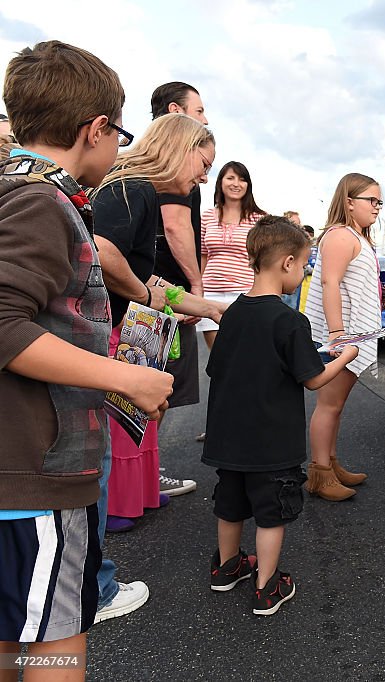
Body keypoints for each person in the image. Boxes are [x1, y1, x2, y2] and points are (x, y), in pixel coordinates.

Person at [0, 40, 173, 679]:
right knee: (53, 641)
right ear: (95, 129)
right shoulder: (41, 202)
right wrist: (125, 375)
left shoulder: (15, 190)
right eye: (117, 134)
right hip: (35, 475)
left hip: (14, 467)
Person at [203, 215, 358, 616]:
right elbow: (312, 378)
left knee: (230, 504)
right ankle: (267, 586)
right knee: (271, 513)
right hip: (270, 441)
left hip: (228, 436)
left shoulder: (232, 313)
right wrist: (345, 357)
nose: (305, 273)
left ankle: (227, 567)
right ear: (287, 262)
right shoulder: (290, 320)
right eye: (305, 264)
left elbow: (218, 368)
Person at [91, 114, 223, 542]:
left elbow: (145, 277)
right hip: (109, 327)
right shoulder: (131, 188)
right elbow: (106, 254)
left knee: (140, 418)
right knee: (121, 418)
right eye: (202, 165)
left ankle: (141, 493)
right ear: (178, 150)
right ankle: (113, 505)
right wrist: (145, 297)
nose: (204, 177)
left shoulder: (142, 192)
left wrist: (208, 306)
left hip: (126, 325)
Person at [303, 173, 381, 501]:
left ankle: (330, 464)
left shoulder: (357, 237)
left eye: (380, 202)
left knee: (337, 406)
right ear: (349, 202)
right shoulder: (340, 236)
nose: (377, 207)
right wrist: (338, 336)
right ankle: (319, 473)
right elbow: (329, 283)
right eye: (371, 201)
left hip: (352, 335)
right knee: (329, 405)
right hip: (341, 336)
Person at [150, 80, 210, 475]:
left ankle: (141, 475)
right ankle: (142, 475)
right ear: (176, 112)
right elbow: (175, 226)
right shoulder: (173, 165)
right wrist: (196, 285)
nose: (206, 118)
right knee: (154, 387)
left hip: (152, 290)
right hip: (163, 296)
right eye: (200, 111)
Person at [196, 161, 266, 350]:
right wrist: (197, 289)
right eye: (231, 178)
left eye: (242, 179)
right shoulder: (207, 216)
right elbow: (202, 256)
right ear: (220, 182)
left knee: (246, 353)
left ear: (248, 185)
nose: (236, 184)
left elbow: (265, 261)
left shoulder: (259, 219)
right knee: (218, 356)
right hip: (211, 294)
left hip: (245, 293)